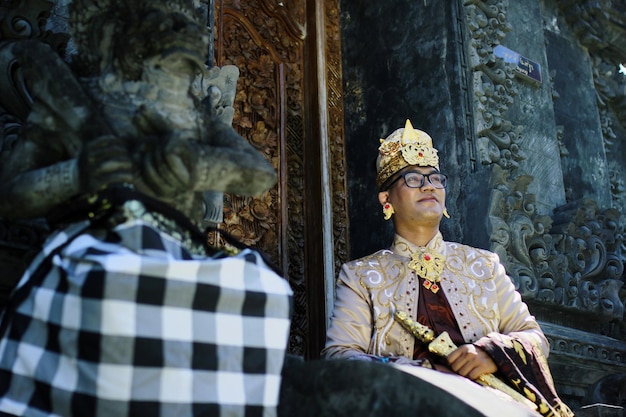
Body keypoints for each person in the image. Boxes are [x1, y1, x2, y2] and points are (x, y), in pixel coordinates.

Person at [322, 120, 574, 417]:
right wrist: (424, 371)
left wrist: (490, 354)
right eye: (413, 178)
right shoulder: (361, 276)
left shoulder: (484, 265)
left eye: (434, 178)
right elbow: (340, 358)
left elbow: (534, 337)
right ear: (386, 200)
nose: (428, 185)